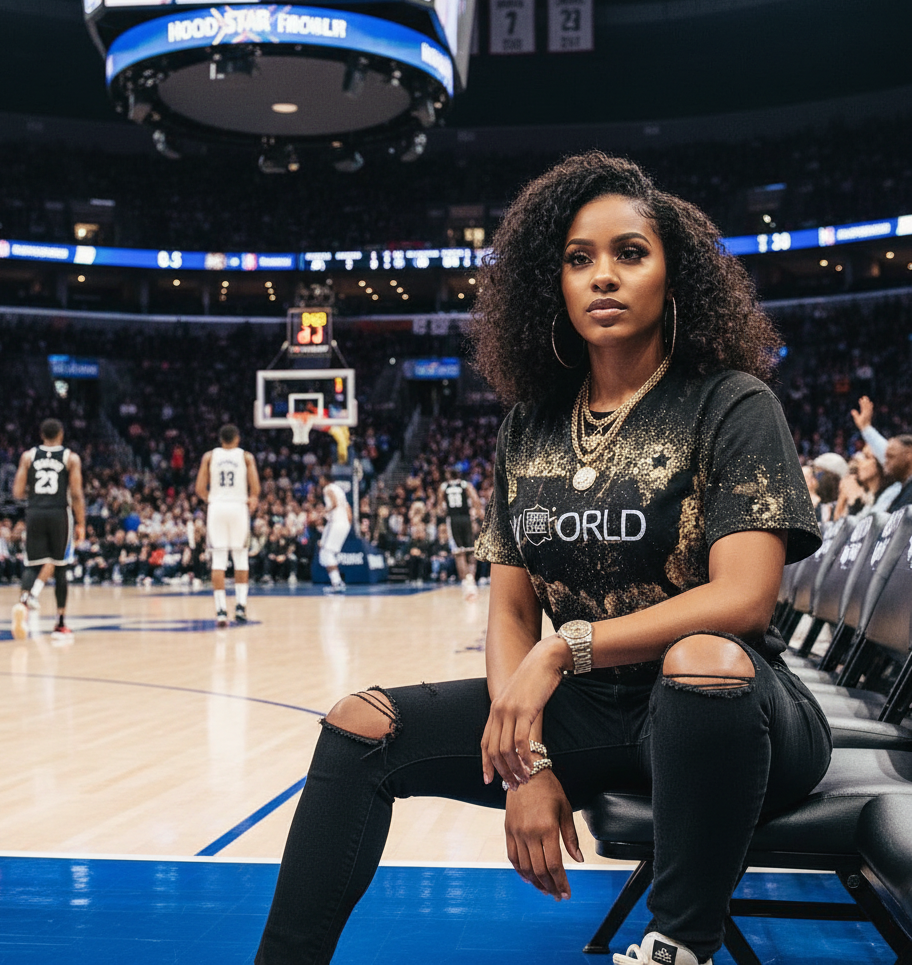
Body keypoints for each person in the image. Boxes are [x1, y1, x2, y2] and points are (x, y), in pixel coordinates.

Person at [252, 153, 830, 965]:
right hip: (597, 712)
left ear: (674, 274)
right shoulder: (529, 425)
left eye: (630, 253)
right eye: (578, 258)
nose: (604, 275)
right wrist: (526, 765)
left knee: (700, 658)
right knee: (361, 726)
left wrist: (567, 649)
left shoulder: (732, 401)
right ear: (550, 283)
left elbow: (744, 599)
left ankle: (680, 947)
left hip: (732, 710)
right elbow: (513, 610)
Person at [11, 419, 86, 639]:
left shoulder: (28, 456)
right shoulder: (70, 458)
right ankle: (60, 623)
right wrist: (81, 523)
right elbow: (76, 494)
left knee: (32, 565)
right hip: (59, 513)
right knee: (60, 567)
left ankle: (22, 604)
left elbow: (17, 492)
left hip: (35, 512)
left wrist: (36, 494)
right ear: (61, 434)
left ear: (41, 435)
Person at [194, 424, 259, 625]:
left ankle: (221, 610)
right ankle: (240, 607)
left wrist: (213, 499)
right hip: (238, 506)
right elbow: (255, 489)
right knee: (241, 558)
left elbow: (199, 489)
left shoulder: (209, 456)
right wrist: (252, 499)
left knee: (219, 560)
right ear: (237, 438)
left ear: (220, 439)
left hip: (217, 507)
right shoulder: (246, 457)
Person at [439, 466, 483, 598]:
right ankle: (471, 580)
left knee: (459, 553)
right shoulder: (466, 485)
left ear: (448, 475)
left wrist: (444, 511)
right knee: (471, 550)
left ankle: (465, 583)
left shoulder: (443, 487)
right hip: (466, 518)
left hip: (453, 520)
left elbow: (440, 509)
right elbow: (476, 501)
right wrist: (476, 513)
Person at [319, 479, 352, 593]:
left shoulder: (327, 488)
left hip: (336, 523)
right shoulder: (340, 491)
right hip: (344, 524)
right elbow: (348, 510)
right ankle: (337, 582)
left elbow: (334, 503)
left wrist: (324, 512)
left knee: (326, 554)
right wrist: (347, 524)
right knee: (324, 554)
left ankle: (337, 582)